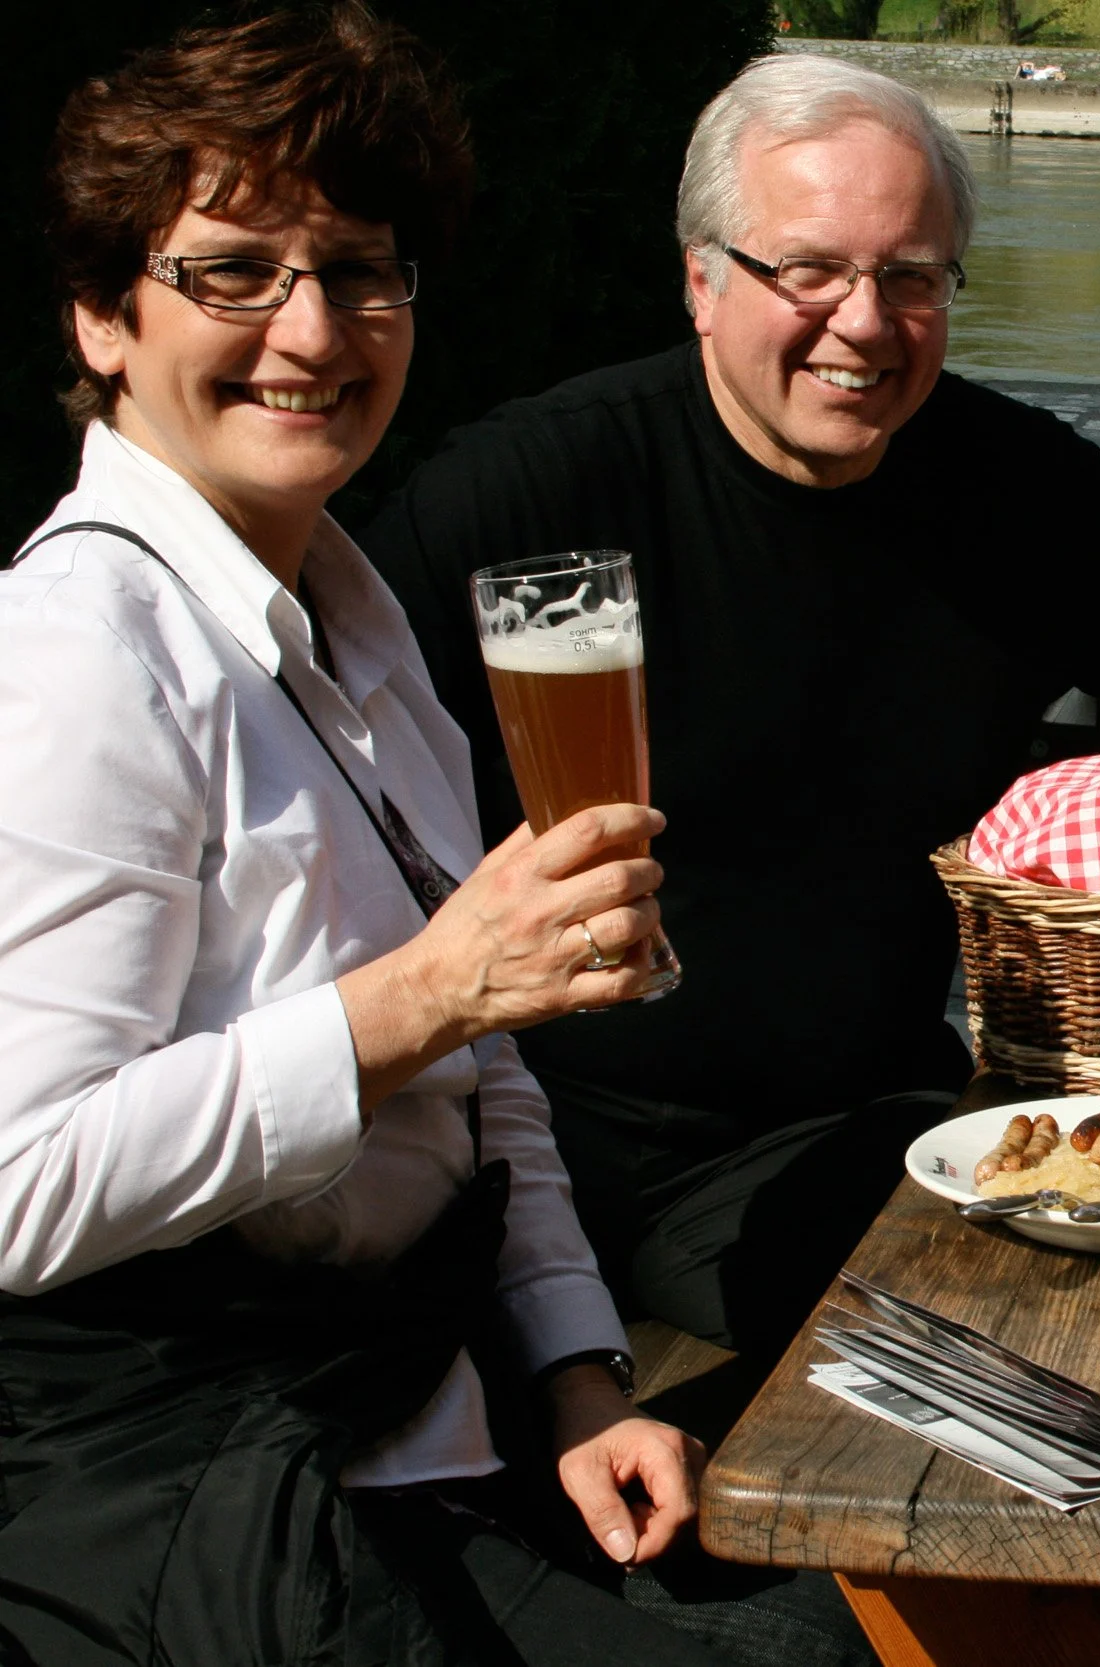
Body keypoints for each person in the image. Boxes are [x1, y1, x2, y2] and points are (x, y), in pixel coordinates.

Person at [362, 55, 1100, 1361]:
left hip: (874, 1119)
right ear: (702, 281)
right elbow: (325, 801)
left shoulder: (1013, 484)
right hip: (541, 1145)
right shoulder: (526, 489)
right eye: (808, 270)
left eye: (912, 277)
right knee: (1028, 1349)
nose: (865, 323)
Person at [0, 8, 728, 1661]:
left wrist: (580, 1372)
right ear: (104, 315)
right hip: (186, 1483)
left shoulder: (355, 619)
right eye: (233, 272)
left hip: (426, 1415)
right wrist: (424, 995)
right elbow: (22, 1182)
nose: (313, 329)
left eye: (357, 270)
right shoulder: (82, 649)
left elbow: (485, 1083)